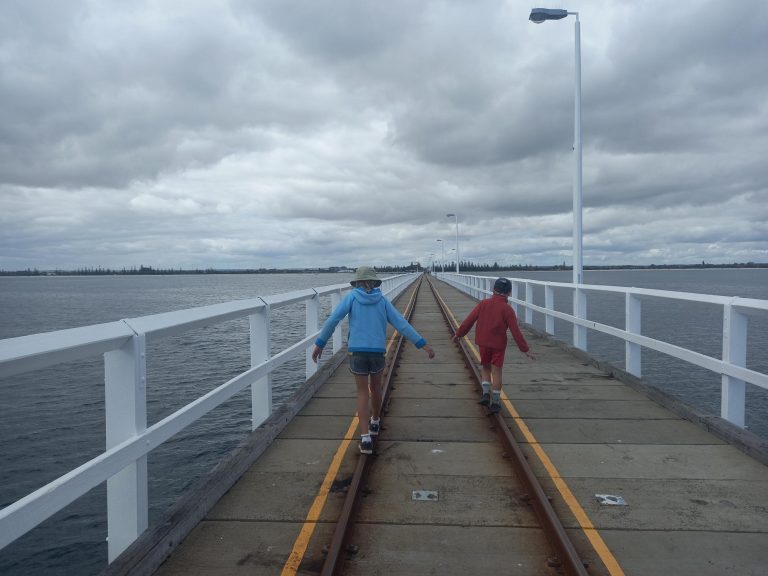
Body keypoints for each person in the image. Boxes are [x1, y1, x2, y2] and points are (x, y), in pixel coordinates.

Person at [312, 266, 435, 454]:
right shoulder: (382, 301)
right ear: (374, 282)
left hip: (357, 352)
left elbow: (333, 320)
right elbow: (401, 324)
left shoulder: (352, 298)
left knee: (362, 393)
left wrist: (320, 343)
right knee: (376, 388)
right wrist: (422, 344)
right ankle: (375, 422)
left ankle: (365, 438)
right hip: (377, 352)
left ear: (357, 283)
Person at [451, 277, 536, 413]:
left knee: (485, 367)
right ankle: (495, 402)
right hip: (498, 345)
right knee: (496, 372)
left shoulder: (483, 304)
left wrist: (459, 334)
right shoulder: (507, 310)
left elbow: (469, 320)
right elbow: (516, 332)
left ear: (493, 290)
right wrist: (525, 349)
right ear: (509, 293)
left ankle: (485, 394)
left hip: (483, 342)